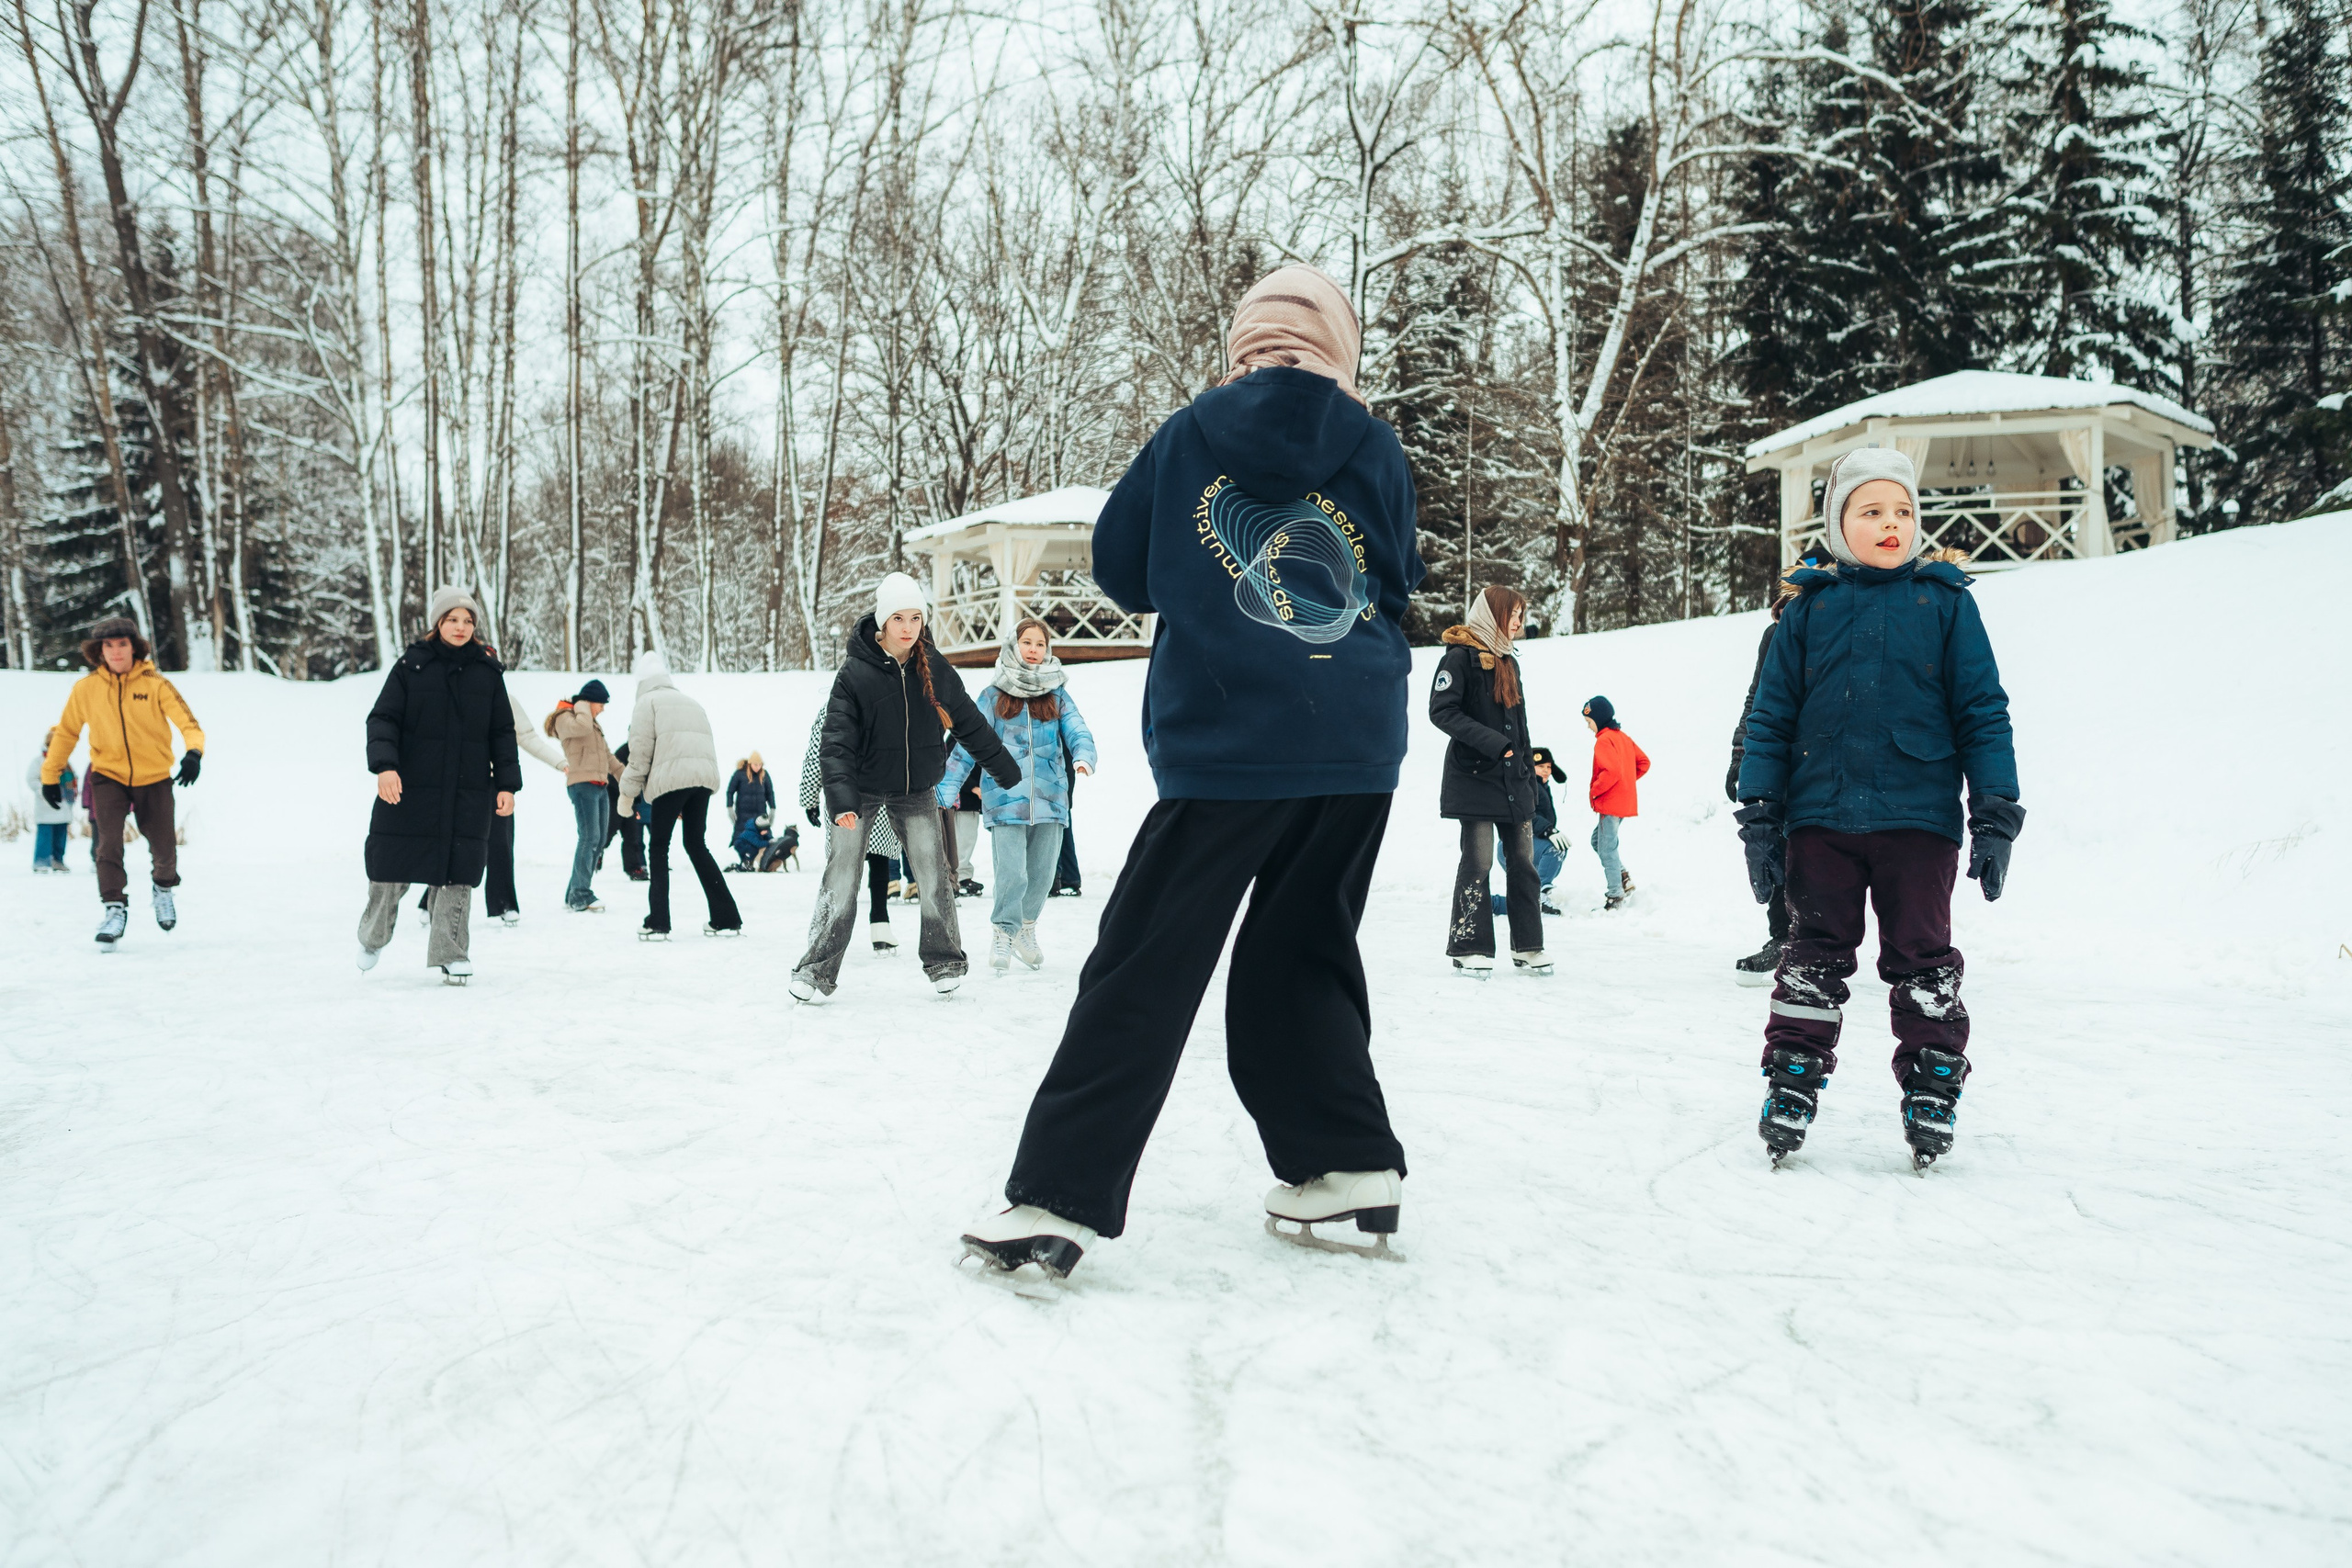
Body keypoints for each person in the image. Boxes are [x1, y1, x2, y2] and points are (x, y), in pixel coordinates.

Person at [963, 264, 1424, 1280]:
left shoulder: (1188, 436)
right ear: (1339, 352)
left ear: (1241, 348)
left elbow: (1121, 569)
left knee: (1148, 959)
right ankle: (1348, 1160)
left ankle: (1058, 1193)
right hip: (1355, 741)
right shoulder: (1375, 443)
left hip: (1228, 736)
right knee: (1303, 950)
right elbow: (1396, 575)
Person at [1736, 448, 2024, 1171]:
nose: (1891, 523)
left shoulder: (1946, 604)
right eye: (1871, 511)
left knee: (1923, 957)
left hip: (1918, 824)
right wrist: (1760, 816)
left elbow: (1983, 712)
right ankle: (1792, 1076)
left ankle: (1933, 1084)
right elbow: (1769, 719)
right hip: (1821, 821)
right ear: (1840, 523)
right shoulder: (1809, 609)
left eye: (1902, 510)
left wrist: (1995, 810)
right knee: (1812, 952)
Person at [789, 573, 1020, 999]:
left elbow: (968, 722)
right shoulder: (855, 672)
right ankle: (815, 970)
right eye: (899, 618)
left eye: (916, 618)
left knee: (933, 874)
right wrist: (841, 801)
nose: (908, 627)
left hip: (915, 790)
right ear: (883, 621)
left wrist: (1004, 769)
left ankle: (944, 961)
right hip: (861, 790)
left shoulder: (934, 666)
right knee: (842, 876)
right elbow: (836, 743)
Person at [356, 587, 520, 983]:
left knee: (458, 872)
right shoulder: (411, 666)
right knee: (390, 869)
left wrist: (507, 785)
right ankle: (372, 937)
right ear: (438, 623)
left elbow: (502, 732)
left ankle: (451, 953)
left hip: (468, 791)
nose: (461, 627)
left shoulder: (487, 672)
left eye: (468, 621)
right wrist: (385, 767)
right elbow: (382, 719)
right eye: (452, 620)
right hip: (410, 789)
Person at [42, 615, 206, 948]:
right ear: (99, 651)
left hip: (154, 777)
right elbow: (67, 732)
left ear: (134, 648)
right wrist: (50, 775)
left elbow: (189, 724)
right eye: (109, 645)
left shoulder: (156, 684)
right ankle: (114, 909)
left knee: (164, 847)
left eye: (122, 644)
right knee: (107, 845)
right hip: (108, 776)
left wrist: (193, 753)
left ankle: (163, 888)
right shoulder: (86, 689)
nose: (116, 652)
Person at [945, 617, 1098, 974]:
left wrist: (1084, 755)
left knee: (1043, 875)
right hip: (1005, 800)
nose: (1033, 650)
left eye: (1040, 644)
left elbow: (1077, 728)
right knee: (1012, 873)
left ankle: (1026, 928)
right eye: (1027, 642)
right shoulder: (993, 695)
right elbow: (968, 743)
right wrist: (948, 786)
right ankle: (1003, 932)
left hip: (1050, 799)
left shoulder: (1057, 693)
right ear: (1014, 646)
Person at [1430, 585, 1546, 978]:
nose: (1518, 622)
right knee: (1478, 863)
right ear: (1493, 614)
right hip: (1475, 779)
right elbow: (1442, 711)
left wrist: (1528, 774)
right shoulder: (1458, 657)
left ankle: (1528, 946)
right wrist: (1496, 744)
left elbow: (1521, 726)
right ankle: (1469, 947)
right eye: (1512, 614)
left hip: (1514, 781)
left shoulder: (1508, 660)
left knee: (1524, 864)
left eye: (1520, 614)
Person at [616, 651, 741, 940]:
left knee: (658, 847)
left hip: (671, 782)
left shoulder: (646, 703)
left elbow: (639, 756)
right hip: (702, 780)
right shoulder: (691, 702)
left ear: (641, 682)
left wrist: (626, 796)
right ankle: (726, 917)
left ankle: (658, 921)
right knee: (696, 845)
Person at [799, 708, 904, 950]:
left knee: (844, 864)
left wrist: (809, 799)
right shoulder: (883, 702)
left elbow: (816, 754)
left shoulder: (833, 707)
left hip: (843, 793)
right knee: (879, 859)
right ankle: (880, 927)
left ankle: (832, 932)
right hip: (880, 791)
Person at [547, 681, 623, 912]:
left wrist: (628, 779)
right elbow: (581, 728)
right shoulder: (566, 718)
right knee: (589, 837)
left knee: (598, 840)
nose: (603, 709)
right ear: (589, 701)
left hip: (600, 785)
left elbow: (609, 757)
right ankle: (581, 894)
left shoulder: (592, 724)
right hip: (582, 785)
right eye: (600, 704)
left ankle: (574, 893)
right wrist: (581, 705)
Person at [1583, 695, 1649, 910]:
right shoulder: (1622, 737)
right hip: (1622, 802)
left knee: (1607, 849)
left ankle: (1615, 896)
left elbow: (1611, 771)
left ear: (1598, 719)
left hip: (1610, 803)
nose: (1588, 726)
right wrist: (1626, 782)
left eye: (1589, 721)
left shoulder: (1604, 740)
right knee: (1598, 841)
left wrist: (1595, 790)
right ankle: (1623, 878)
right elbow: (1644, 763)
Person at [1496, 745, 1567, 918]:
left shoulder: (1540, 786)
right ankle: (1541, 893)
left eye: (1549, 766)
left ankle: (1488, 904)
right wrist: (1548, 830)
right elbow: (1525, 813)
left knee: (1524, 900)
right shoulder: (1527, 785)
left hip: (1523, 844)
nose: (1546, 770)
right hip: (1515, 844)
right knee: (1555, 848)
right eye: (1541, 766)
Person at [933, 761, 985, 897]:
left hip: (968, 800)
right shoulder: (959, 747)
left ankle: (962, 874)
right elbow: (952, 766)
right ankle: (960, 876)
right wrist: (972, 787)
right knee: (963, 839)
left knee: (966, 839)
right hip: (962, 799)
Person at [28, 728, 75, 872]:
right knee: (45, 836)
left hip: (63, 805)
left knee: (61, 837)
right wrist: (43, 791)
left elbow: (72, 780)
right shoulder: (39, 762)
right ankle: (41, 862)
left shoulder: (65, 761)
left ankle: (57, 860)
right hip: (46, 806)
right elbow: (31, 779)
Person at [605, 741, 649, 879]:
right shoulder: (625, 751)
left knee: (632, 834)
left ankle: (634, 868)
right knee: (611, 829)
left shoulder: (646, 751)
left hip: (631, 798)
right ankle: (596, 854)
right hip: (614, 797)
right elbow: (612, 774)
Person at [726, 751, 776, 870]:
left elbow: (770, 793)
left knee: (765, 837)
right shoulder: (739, 774)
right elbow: (730, 791)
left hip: (760, 815)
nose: (757, 767)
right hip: (743, 814)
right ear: (750, 764)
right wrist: (730, 808)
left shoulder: (764, 775)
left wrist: (772, 809)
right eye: (755, 764)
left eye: (760, 764)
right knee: (742, 838)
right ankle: (746, 861)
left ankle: (766, 862)